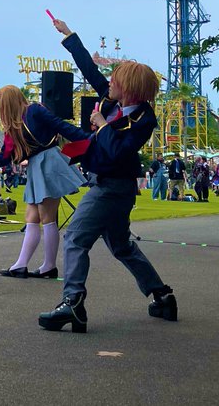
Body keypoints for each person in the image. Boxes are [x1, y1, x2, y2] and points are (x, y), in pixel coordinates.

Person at [38, 17, 176, 334]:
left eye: (116, 79)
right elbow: (89, 69)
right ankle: (162, 296)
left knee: (75, 237)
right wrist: (70, 36)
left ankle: (73, 303)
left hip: (112, 188)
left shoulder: (143, 120)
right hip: (111, 186)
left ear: (130, 88)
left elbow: (118, 152)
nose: (109, 82)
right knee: (122, 246)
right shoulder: (112, 102)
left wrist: (102, 125)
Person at [0, 83, 85, 279]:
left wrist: (89, 139)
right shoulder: (17, 124)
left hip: (49, 163)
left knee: (47, 217)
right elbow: (5, 156)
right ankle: (21, 265)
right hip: (39, 166)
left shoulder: (32, 113)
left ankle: (49, 266)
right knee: (32, 217)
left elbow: (60, 126)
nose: (0, 109)